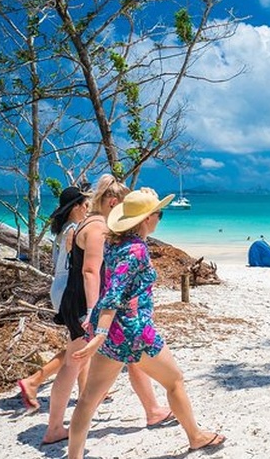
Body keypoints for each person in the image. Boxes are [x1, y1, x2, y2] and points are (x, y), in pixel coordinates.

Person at [67, 188, 225, 458]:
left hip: (115, 331)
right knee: (174, 380)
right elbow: (115, 292)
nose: (160, 219)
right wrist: (100, 334)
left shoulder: (112, 243)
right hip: (134, 331)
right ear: (146, 220)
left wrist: (102, 332)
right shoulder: (137, 249)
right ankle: (196, 437)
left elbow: (112, 288)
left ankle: (74, 456)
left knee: (88, 400)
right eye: (158, 214)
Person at [42, 175, 170, 445]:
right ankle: (54, 427)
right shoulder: (99, 227)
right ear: (113, 203)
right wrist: (93, 312)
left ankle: (153, 409)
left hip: (79, 298)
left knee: (125, 356)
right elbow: (91, 271)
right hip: (87, 302)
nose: (126, 217)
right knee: (74, 363)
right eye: (124, 209)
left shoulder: (86, 223)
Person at [17, 186, 90, 411]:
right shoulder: (74, 230)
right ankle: (34, 381)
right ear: (76, 207)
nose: (88, 208)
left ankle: (87, 392)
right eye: (85, 204)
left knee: (81, 341)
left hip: (60, 286)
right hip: (71, 288)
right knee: (81, 344)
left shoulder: (63, 230)